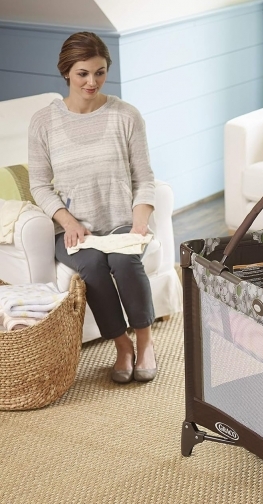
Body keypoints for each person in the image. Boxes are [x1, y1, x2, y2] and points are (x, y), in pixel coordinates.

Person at [28, 31, 157, 384]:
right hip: (73, 227)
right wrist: (68, 221)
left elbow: (144, 177)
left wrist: (140, 221)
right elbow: (39, 184)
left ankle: (145, 342)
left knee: (124, 261)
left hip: (120, 221)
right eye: (83, 73)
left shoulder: (126, 115)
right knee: (93, 267)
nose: (92, 82)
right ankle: (122, 346)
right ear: (66, 72)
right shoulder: (44, 121)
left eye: (100, 72)